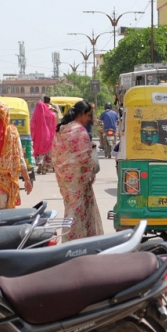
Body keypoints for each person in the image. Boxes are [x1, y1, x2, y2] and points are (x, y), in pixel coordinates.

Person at [53, 100, 103, 240]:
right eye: (88, 115)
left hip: (65, 179)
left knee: (71, 209)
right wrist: (91, 172)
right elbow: (85, 159)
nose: (89, 119)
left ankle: (76, 240)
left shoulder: (62, 129)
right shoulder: (79, 131)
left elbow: (56, 155)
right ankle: (74, 242)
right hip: (78, 179)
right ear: (81, 114)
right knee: (77, 212)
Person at [31, 96, 56, 174]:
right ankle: (45, 167)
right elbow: (54, 117)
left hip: (39, 134)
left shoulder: (37, 112)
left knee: (39, 150)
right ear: (49, 101)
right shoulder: (50, 111)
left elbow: (32, 123)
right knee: (48, 150)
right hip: (48, 133)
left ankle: (40, 164)